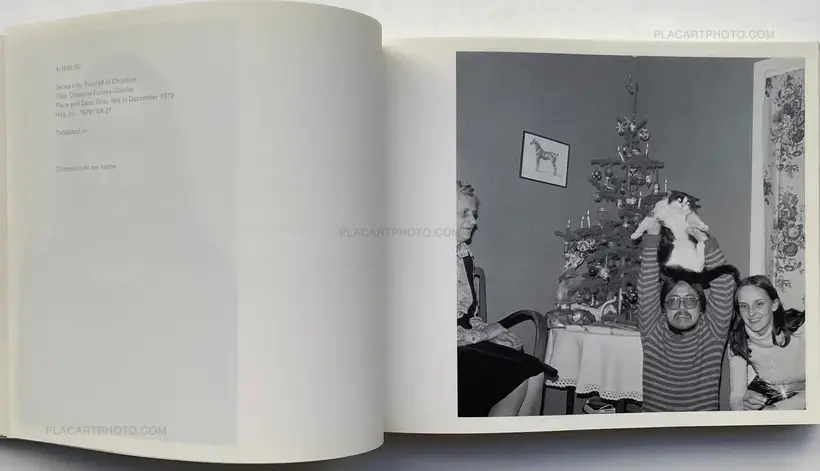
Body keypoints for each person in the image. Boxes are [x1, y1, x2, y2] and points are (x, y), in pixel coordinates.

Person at [456, 180, 553, 417]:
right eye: (464, 213)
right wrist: (485, 335)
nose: (473, 221)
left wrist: (494, 334)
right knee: (513, 377)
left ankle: (522, 440)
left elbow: (467, 317)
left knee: (535, 372)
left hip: (464, 344)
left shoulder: (464, 257)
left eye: (474, 214)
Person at [635, 216, 735, 412]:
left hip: (699, 427)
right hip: (656, 425)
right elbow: (646, 287)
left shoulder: (712, 333)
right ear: (663, 308)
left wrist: (703, 239)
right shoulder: (652, 331)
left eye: (689, 300)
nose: (681, 307)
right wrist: (652, 236)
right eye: (673, 300)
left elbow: (724, 284)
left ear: (701, 306)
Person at [727, 275, 806, 411]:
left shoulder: (803, 329)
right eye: (743, 306)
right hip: (771, 393)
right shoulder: (738, 340)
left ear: (774, 304)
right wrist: (743, 402)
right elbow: (736, 397)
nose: (751, 313)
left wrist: (777, 410)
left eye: (759, 304)